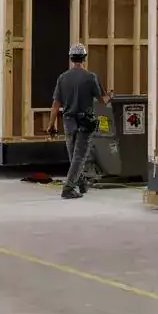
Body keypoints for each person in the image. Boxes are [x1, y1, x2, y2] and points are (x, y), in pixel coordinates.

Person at [49, 43, 103, 199]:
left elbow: (55, 105)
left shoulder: (62, 78)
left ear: (71, 58)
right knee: (79, 157)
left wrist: (51, 125)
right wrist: (110, 96)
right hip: (84, 123)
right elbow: (101, 100)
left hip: (68, 122)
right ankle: (68, 188)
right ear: (84, 58)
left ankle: (81, 183)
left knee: (74, 156)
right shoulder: (90, 77)